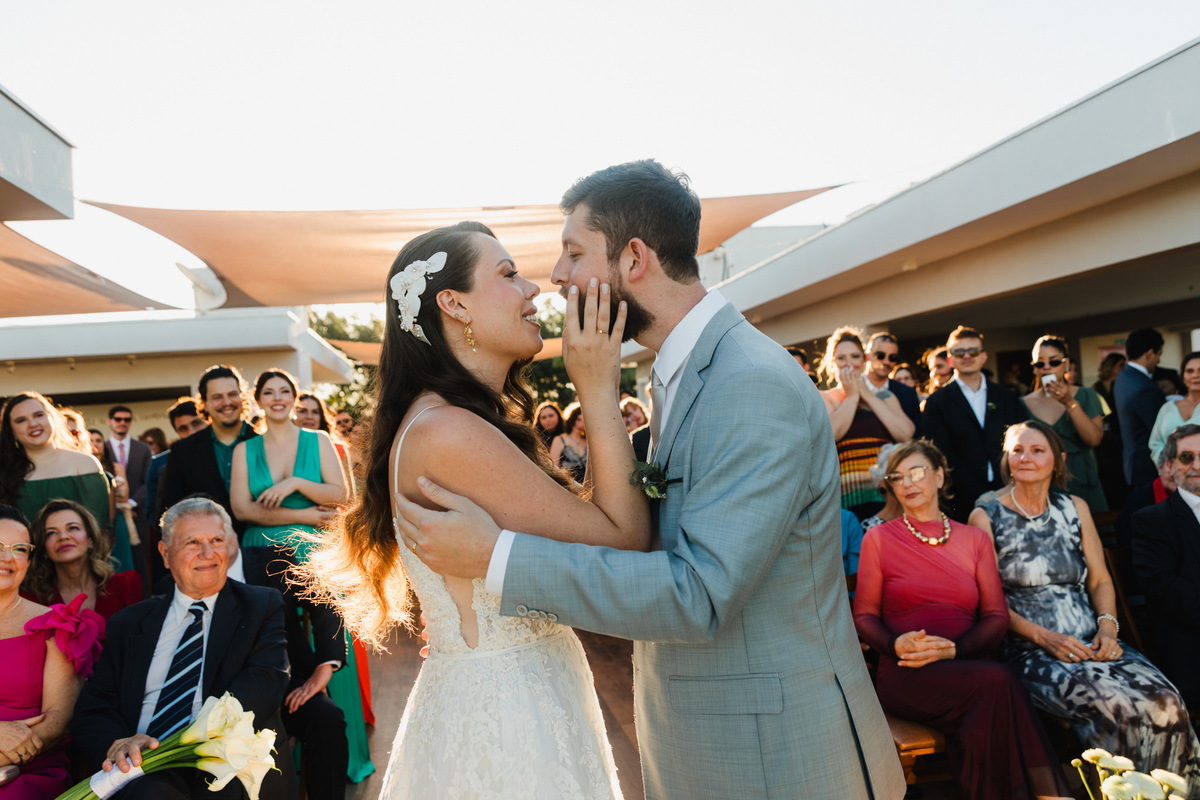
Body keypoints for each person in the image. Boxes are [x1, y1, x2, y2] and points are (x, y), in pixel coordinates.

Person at [386, 161, 904, 798]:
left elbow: (699, 593)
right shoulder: (681, 374)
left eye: (573, 253)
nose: (553, 277)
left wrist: (497, 558)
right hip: (689, 741)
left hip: (772, 755)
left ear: (632, 259)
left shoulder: (749, 384)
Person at [296, 220, 640, 799]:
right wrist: (598, 386)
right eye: (508, 274)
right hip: (509, 710)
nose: (534, 289)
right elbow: (624, 540)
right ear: (453, 304)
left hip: (508, 686)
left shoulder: (444, 421)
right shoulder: (448, 431)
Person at [970, 421, 1199, 788]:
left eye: (1037, 450)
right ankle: (1117, 793)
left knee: (1166, 701)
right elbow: (989, 601)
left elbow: (1100, 579)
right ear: (1006, 459)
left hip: (1093, 640)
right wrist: (1047, 639)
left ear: (1058, 460)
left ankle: (1167, 795)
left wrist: (1108, 628)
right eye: (1016, 450)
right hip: (1032, 648)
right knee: (1114, 706)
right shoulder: (985, 517)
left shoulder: (1075, 507)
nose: (1025, 457)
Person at [854, 441, 1069, 800]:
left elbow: (997, 616)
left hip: (970, 664)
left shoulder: (974, 539)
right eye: (897, 477)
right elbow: (862, 616)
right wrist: (894, 644)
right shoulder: (878, 538)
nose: (907, 483)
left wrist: (955, 650)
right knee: (999, 682)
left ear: (939, 476)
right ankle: (1051, 794)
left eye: (917, 472)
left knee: (986, 706)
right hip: (909, 670)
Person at [71, 497, 294, 800]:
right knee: (149, 793)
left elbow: (265, 683)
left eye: (217, 540)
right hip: (145, 767)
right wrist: (119, 743)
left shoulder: (260, 606)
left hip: (226, 763)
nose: (208, 553)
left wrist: (188, 743)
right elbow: (94, 707)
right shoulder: (129, 623)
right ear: (165, 554)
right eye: (192, 542)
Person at [230, 368, 369, 789]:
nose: (277, 397)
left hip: (312, 547)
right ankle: (289, 715)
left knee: (327, 619)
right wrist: (303, 513)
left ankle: (327, 712)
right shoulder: (244, 450)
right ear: (257, 400)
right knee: (276, 632)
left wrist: (293, 482)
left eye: (284, 391)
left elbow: (341, 495)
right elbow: (242, 509)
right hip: (259, 550)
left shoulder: (319, 440)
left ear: (294, 397)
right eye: (268, 392)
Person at [0, 504, 101, 799]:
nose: (7, 557)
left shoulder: (55, 624)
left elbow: (59, 718)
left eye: (18, 548)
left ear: (29, 560)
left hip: (27, 769)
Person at [922, 327, 1027, 522]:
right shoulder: (937, 402)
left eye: (974, 351)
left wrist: (1005, 488)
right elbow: (939, 453)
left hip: (1010, 494)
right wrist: (978, 494)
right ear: (951, 359)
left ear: (984, 356)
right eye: (959, 352)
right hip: (960, 501)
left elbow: (1021, 442)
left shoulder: (1006, 397)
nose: (967, 356)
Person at [1132, 424, 1200, 715]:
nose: (1197, 465)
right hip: (1189, 646)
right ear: (1170, 466)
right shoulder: (1152, 521)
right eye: (1187, 457)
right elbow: (1166, 592)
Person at [819, 327, 915, 519]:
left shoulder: (884, 396)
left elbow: (905, 434)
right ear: (832, 364)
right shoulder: (824, 398)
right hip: (848, 501)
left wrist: (868, 396)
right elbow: (830, 434)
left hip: (889, 498)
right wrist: (853, 396)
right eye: (841, 358)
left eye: (855, 356)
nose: (849, 364)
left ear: (865, 361)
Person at [0, 394, 113, 544]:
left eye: (39, 415)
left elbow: (100, 530)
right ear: (11, 430)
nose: (33, 424)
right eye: (21, 420)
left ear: (52, 417)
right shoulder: (4, 472)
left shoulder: (85, 464)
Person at [1019, 335, 1108, 511]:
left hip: (1081, 481)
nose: (1046, 368)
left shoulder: (1085, 395)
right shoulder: (1023, 403)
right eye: (1040, 363)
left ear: (1066, 364)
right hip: (1043, 483)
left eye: (1054, 362)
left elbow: (1094, 439)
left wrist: (1069, 402)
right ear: (1034, 369)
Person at [23, 499, 142, 621]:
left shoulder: (126, 586)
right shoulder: (32, 599)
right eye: (51, 533)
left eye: (73, 528)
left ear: (90, 539)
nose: (63, 537)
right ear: (44, 548)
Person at [1114, 327, 1166, 487]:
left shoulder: (1123, 377)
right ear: (1150, 353)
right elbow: (1161, 429)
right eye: (1159, 354)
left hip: (1132, 462)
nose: (1159, 361)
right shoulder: (1145, 387)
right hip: (1147, 467)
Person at [864, 332, 922, 433]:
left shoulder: (908, 394)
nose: (887, 362)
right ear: (868, 356)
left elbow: (916, 436)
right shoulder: (851, 389)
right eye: (880, 355)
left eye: (892, 357)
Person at [1149, 352, 1200, 463]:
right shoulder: (1167, 408)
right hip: (1171, 475)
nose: (1195, 375)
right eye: (1190, 371)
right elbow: (1155, 443)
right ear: (1183, 376)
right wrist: (1166, 467)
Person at [1093, 352, 1129, 511]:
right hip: (1103, 443)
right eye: (1120, 365)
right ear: (1111, 366)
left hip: (1121, 439)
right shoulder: (1096, 388)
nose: (1123, 368)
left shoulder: (1123, 385)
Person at [550, 401, 589, 483]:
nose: (581, 424)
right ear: (572, 418)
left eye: (584, 421)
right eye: (578, 419)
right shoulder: (560, 440)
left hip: (587, 489)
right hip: (566, 487)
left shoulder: (588, 443)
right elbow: (553, 468)